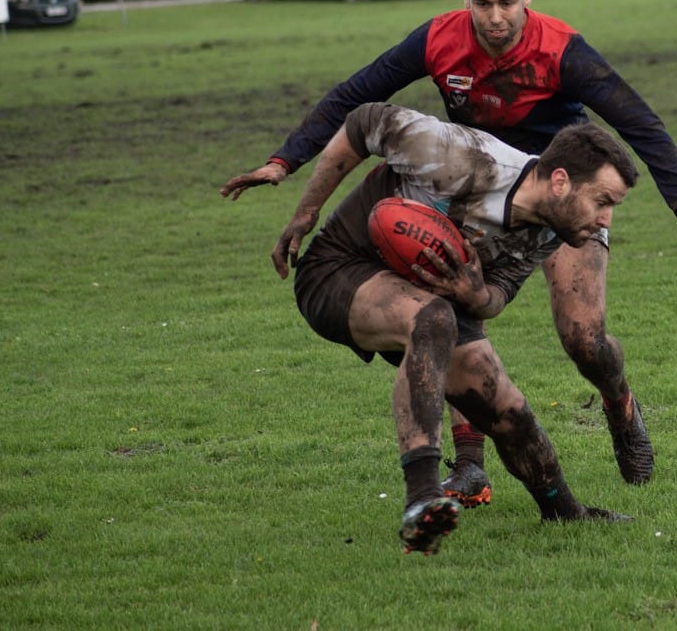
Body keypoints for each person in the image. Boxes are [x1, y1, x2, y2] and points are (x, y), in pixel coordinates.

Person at [221, 0, 677, 504]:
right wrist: (284, 161)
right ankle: (469, 465)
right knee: (453, 301)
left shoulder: (561, 50)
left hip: (558, 195)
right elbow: (357, 96)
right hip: (475, 185)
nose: (495, 17)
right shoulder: (439, 39)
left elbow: (640, 123)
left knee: (583, 337)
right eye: (482, 4)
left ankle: (620, 403)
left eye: (507, 2)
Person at [269, 101, 638, 553]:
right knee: (433, 318)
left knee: (507, 408)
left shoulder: (549, 230)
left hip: (431, 297)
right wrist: (306, 212)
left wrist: (475, 294)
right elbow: (363, 122)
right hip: (339, 269)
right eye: (602, 202)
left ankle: (564, 511)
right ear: (559, 182)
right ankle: (422, 498)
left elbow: (496, 296)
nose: (605, 220)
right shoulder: (462, 157)